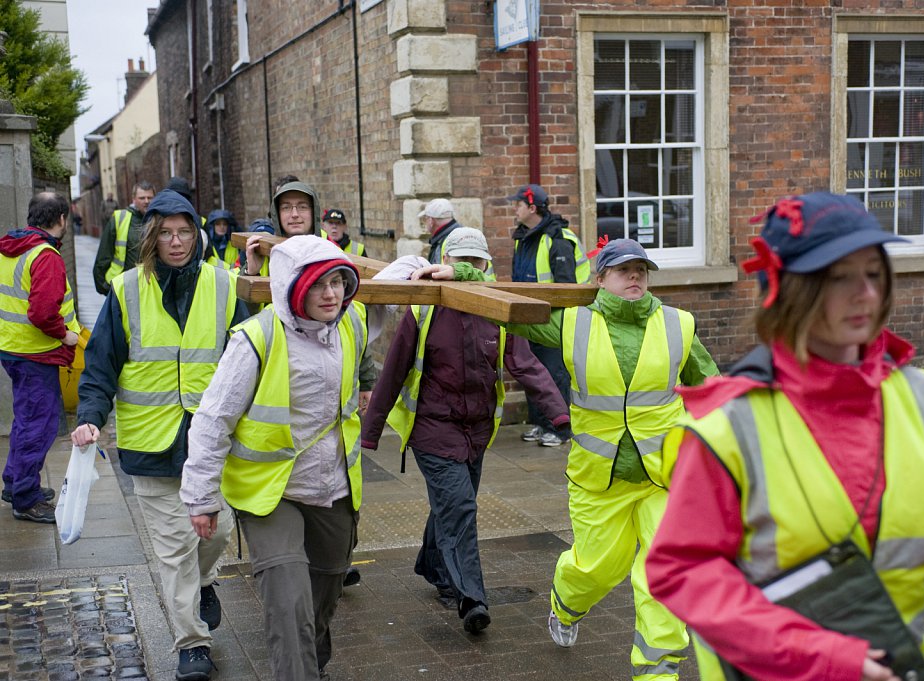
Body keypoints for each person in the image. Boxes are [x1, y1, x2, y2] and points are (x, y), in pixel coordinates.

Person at [645, 192, 924, 681]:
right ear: (792, 290)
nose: (864, 292)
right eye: (839, 277)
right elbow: (683, 570)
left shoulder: (922, 399)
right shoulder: (729, 425)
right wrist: (817, 655)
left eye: (873, 271)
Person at [416, 237, 718, 680]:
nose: (635, 277)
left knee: (664, 576)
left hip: (666, 478)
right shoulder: (573, 323)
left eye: (641, 270)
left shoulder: (679, 325)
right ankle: (566, 601)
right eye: (623, 270)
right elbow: (503, 305)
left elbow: (712, 390)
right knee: (596, 569)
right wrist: (465, 273)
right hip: (599, 480)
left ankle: (659, 673)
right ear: (600, 279)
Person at [72, 189, 248, 681]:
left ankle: (207, 579)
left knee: (219, 533)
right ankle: (192, 642)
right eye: (166, 233)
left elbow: (248, 358)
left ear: (197, 232)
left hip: (210, 443)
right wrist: (91, 414)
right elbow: (101, 364)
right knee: (174, 551)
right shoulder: (127, 289)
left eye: (184, 231)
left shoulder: (225, 285)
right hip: (150, 443)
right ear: (152, 236)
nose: (176, 241)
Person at [181, 235, 372, 680]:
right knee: (288, 606)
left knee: (324, 592)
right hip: (270, 494)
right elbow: (212, 419)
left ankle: (309, 660)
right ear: (292, 287)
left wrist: (435, 269)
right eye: (318, 284)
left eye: (339, 283)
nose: (331, 294)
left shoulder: (352, 325)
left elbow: (402, 280)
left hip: (334, 488)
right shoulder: (256, 338)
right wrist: (201, 496)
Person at [362, 227, 570, 634]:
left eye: (475, 263)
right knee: (459, 506)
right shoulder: (423, 309)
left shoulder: (497, 309)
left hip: (476, 430)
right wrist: (372, 429)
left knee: (453, 504)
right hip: (432, 428)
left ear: (485, 267)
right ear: (443, 262)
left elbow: (525, 364)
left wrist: (558, 415)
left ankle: (431, 563)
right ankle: (472, 597)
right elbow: (394, 369)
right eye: (459, 261)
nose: (466, 269)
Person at [0, 192, 81, 523]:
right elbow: (43, 313)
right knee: (39, 426)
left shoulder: (11, 248)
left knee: (25, 419)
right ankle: (26, 497)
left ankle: (14, 482)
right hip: (36, 353)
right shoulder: (45, 255)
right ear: (62, 218)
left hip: (13, 348)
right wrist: (67, 335)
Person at [508, 183, 590, 447]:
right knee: (532, 373)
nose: (514, 210)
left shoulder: (557, 238)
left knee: (554, 374)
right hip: (529, 317)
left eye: (518, 204)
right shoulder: (523, 238)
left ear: (532, 207)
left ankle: (560, 429)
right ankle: (540, 423)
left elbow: (565, 287)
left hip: (554, 319)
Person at [243, 180, 325, 277]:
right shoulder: (262, 253)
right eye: (286, 207)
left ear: (313, 212)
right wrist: (251, 273)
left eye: (302, 207)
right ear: (277, 214)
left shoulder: (331, 253)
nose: (295, 214)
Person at [93, 181, 155, 295]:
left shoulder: (159, 220)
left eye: (150, 197)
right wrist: (105, 287)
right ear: (134, 199)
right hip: (123, 287)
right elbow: (103, 256)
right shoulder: (119, 219)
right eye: (142, 198)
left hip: (151, 289)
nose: (146, 201)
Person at [420, 198, 461, 264]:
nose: (425, 222)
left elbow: (437, 272)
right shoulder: (461, 232)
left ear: (431, 221)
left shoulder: (443, 242)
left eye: (426, 218)